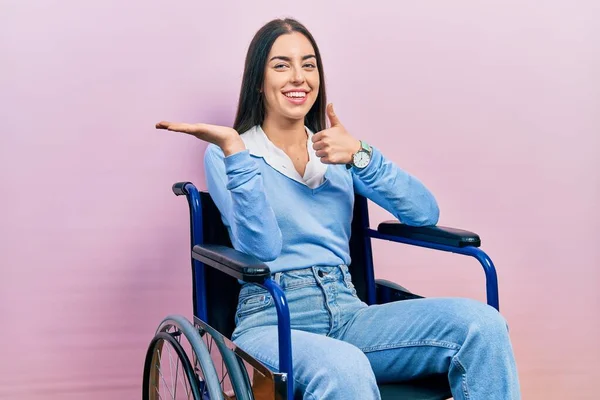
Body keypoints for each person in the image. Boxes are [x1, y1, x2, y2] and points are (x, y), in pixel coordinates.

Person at [156, 17, 520, 400]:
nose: (299, 77)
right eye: (282, 65)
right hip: (272, 316)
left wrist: (362, 155)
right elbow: (261, 248)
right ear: (258, 81)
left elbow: (424, 213)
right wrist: (235, 151)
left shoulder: (337, 150)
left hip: (348, 311)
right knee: (344, 366)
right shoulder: (228, 154)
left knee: (483, 325)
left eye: (308, 65)